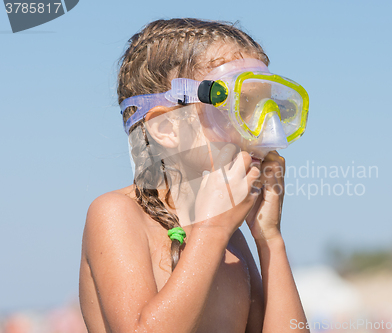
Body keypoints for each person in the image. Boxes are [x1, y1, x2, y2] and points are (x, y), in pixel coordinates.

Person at [79, 18, 310, 333]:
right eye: (241, 107)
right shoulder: (117, 214)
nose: (267, 135)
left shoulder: (233, 241)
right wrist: (212, 230)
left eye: (270, 109)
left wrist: (269, 238)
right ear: (166, 128)